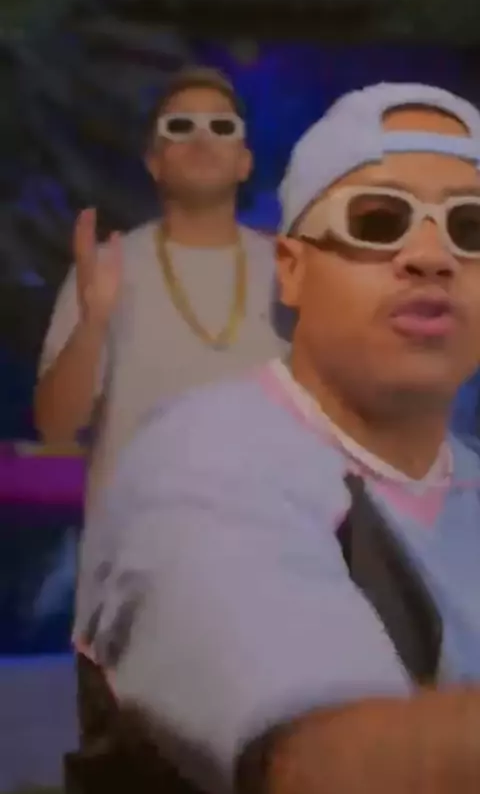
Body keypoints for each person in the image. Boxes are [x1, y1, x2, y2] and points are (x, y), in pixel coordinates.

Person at [76, 82, 480, 794]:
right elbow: (329, 766)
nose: (431, 257)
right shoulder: (203, 464)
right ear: (291, 270)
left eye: (471, 228)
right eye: (378, 220)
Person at [34, 66, 288, 508]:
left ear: (244, 163)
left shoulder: (291, 272)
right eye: (180, 126)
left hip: (267, 539)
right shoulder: (104, 268)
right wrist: (92, 323)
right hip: (133, 544)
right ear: (154, 163)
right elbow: (55, 428)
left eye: (222, 126)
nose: (202, 138)